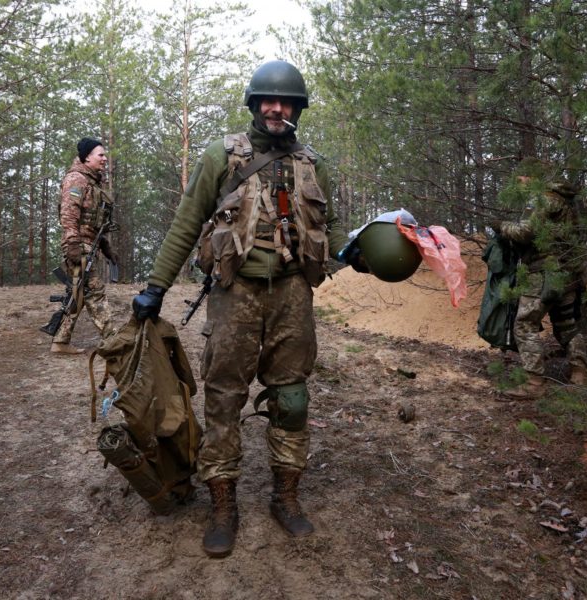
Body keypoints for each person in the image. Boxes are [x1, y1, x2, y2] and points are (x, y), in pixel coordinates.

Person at [132, 60, 361, 558]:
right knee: (223, 399)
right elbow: (186, 222)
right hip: (234, 293)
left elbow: (334, 227)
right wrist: (155, 287)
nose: (277, 109)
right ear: (255, 105)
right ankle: (222, 505)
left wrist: (359, 251)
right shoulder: (221, 155)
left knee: (292, 399)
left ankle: (285, 497)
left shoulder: (313, 163)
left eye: (286, 102)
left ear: (297, 109)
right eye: (268, 101)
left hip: (294, 294)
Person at [491, 165, 587, 399]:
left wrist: (501, 226)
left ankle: (534, 382)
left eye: (521, 177)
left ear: (532, 177)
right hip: (570, 272)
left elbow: (525, 233)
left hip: (543, 273)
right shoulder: (567, 201)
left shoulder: (541, 198)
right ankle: (580, 373)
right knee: (567, 324)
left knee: (524, 324)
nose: (518, 182)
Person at [51, 137, 117, 355]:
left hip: (90, 244)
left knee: (78, 293)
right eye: (101, 155)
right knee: (95, 292)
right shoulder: (76, 179)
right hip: (79, 245)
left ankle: (60, 341)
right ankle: (114, 340)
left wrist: (106, 247)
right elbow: (69, 214)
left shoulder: (92, 182)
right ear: (87, 157)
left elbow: (94, 221)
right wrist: (72, 244)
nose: (105, 159)